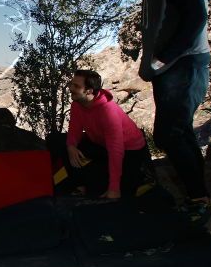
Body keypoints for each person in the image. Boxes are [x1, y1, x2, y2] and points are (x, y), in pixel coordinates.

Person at [126, 0, 211, 218]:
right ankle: (200, 195)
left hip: (185, 64)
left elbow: (196, 18)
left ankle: (200, 199)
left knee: (169, 133)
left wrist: (165, 58)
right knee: (180, 131)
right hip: (170, 68)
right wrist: (150, 63)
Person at [48, 69, 151, 199]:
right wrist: (71, 146)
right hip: (101, 144)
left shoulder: (108, 112)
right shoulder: (77, 105)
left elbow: (116, 150)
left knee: (122, 191)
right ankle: (80, 182)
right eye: (71, 84)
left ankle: (139, 176)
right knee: (58, 142)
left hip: (129, 149)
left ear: (89, 91)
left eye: (76, 86)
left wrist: (114, 188)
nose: (70, 88)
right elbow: (74, 129)